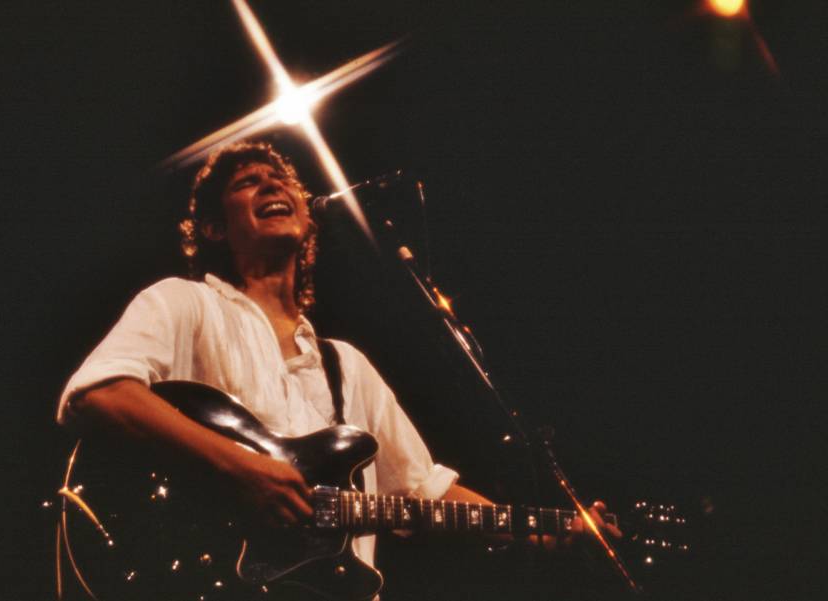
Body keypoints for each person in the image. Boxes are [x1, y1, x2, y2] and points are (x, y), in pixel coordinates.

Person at [56, 141, 617, 581]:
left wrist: (543, 529)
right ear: (213, 228)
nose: (273, 183)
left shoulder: (347, 366)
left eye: (281, 180)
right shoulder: (185, 302)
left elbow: (423, 492)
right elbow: (99, 395)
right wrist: (239, 467)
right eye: (248, 183)